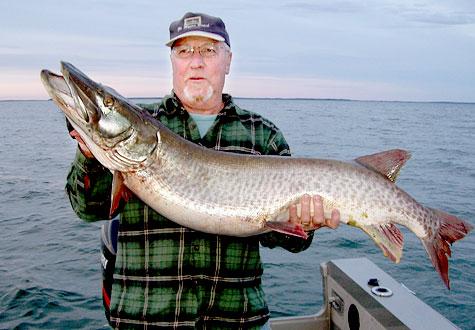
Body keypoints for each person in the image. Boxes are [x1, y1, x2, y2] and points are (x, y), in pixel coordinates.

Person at [66, 12, 340, 329]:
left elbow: (291, 242)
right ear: (173, 61)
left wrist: (305, 223)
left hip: (237, 321)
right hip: (146, 321)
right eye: (184, 51)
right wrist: (89, 152)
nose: (196, 62)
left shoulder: (262, 134)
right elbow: (88, 209)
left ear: (228, 60)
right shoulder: (142, 126)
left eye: (208, 51)